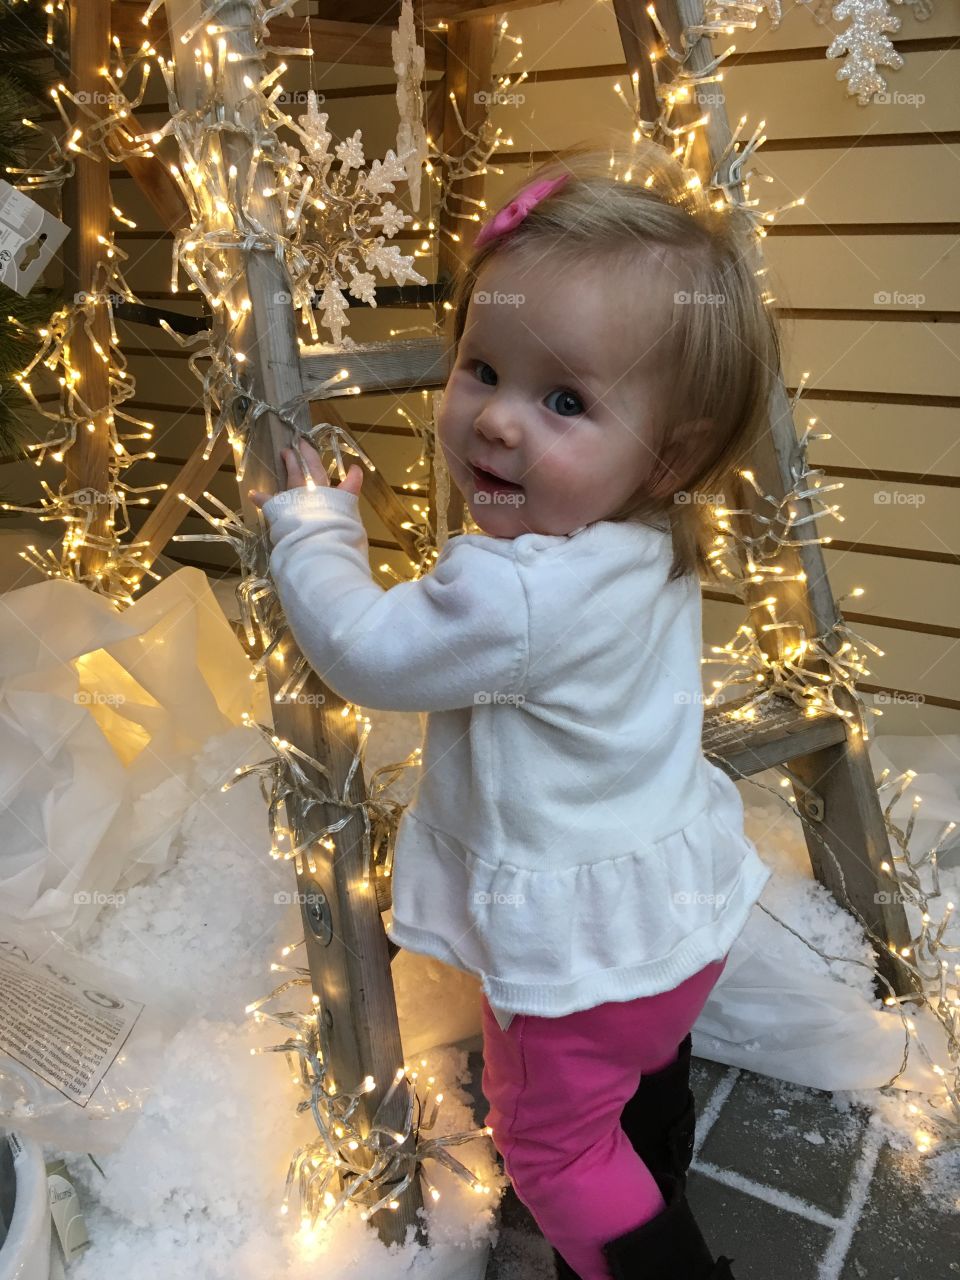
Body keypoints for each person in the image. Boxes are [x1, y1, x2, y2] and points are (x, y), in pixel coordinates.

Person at [251, 137, 780, 1279]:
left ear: (664, 454)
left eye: (564, 399)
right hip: (674, 913)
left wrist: (312, 527)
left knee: (549, 1142)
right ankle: (655, 1167)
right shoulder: (655, 538)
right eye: (481, 369)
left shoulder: (516, 590)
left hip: (577, 949)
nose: (496, 422)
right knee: (642, 1078)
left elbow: (368, 648)